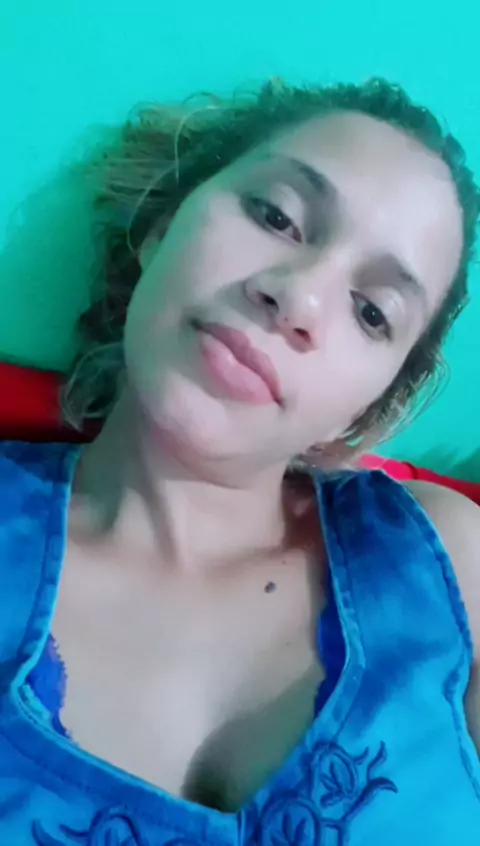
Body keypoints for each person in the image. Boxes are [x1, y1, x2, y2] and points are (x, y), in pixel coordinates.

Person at [0, 76, 479, 845]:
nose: (298, 298)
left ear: (367, 409)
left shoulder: (450, 556)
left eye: (372, 312)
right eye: (276, 216)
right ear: (162, 228)